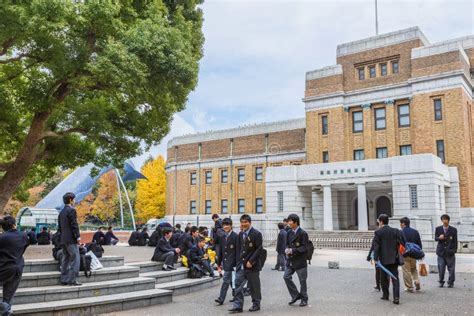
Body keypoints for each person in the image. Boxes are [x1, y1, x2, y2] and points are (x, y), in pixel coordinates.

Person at [229, 214, 263, 313]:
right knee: (238, 284)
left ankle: (256, 304)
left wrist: (251, 261)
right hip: (242, 265)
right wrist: (237, 263)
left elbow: (259, 249)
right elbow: (239, 250)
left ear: (250, 222)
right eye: (242, 222)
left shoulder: (256, 234)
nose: (244, 224)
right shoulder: (240, 234)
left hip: (252, 265)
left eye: (246, 222)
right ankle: (238, 306)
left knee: (254, 286)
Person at [0, 216, 29, 315]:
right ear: (14, 225)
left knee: (7, 299)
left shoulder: (2, 237)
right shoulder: (23, 236)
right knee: (8, 295)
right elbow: (24, 248)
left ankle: (5, 308)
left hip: (3, 267)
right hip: (18, 267)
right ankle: (6, 310)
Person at [373, 214, 404, 305]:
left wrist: (375, 258)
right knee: (395, 278)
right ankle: (396, 297)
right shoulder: (395, 231)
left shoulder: (378, 232)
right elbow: (401, 242)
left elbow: (376, 247)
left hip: (383, 259)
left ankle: (386, 295)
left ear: (381, 221)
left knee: (383, 278)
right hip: (394, 258)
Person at [283, 214, 309, 307]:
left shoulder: (303, 233)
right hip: (290, 260)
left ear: (296, 222)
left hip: (300, 261)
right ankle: (295, 295)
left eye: (290, 221)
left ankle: (304, 299)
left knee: (302, 281)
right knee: (286, 277)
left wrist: (293, 250)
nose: (288, 223)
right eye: (288, 221)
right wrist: (286, 249)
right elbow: (287, 244)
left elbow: (304, 248)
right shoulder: (289, 232)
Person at [57, 192, 82, 286]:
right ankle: (72, 280)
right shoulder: (72, 210)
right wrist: (78, 237)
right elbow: (74, 224)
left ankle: (64, 279)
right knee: (75, 258)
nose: (74, 201)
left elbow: (59, 228)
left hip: (63, 239)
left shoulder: (61, 212)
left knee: (65, 259)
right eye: (74, 199)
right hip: (71, 239)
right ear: (71, 200)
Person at [215, 217, 238, 305]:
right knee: (232, 280)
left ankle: (221, 298)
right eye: (224, 225)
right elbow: (220, 251)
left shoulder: (235, 236)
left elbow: (238, 251)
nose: (225, 227)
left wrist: (237, 264)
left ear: (231, 226)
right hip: (225, 262)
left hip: (233, 263)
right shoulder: (222, 236)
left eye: (227, 225)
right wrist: (219, 264)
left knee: (226, 280)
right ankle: (236, 295)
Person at [399, 217, 422, 292]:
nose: (400, 225)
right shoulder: (415, 232)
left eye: (400, 223)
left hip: (405, 254)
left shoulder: (401, 232)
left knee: (406, 271)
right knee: (414, 269)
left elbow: (399, 244)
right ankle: (416, 281)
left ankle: (409, 287)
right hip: (414, 254)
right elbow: (419, 244)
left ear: (403, 223)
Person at [435, 214, 457, 288]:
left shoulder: (453, 230)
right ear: (441, 220)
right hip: (441, 252)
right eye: (443, 219)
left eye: (446, 219)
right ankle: (441, 282)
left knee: (451, 268)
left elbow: (455, 241)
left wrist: (454, 251)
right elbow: (435, 238)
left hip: (450, 252)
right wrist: (439, 238)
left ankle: (451, 282)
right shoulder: (438, 229)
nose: (445, 221)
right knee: (441, 268)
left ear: (448, 220)